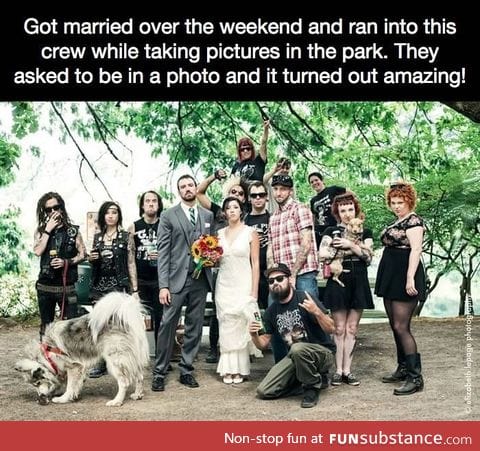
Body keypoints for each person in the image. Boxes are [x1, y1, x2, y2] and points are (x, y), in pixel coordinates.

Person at [151, 175, 214, 392]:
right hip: (175, 280)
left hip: (200, 280)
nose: (187, 189)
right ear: (179, 191)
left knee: (194, 326)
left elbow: (212, 246)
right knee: (167, 324)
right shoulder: (168, 216)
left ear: (196, 188)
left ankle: (186, 369)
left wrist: (212, 256)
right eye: (182, 187)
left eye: (190, 185)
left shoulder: (208, 215)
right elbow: (163, 253)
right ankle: (159, 371)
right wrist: (163, 286)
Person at [249, 263, 335, 408]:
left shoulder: (304, 298)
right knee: (264, 391)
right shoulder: (271, 311)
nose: (275, 283)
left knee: (297, 349)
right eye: (271, 281)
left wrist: (317, 312)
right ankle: (306, 382)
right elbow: (263, 344)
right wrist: (254, 335)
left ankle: (312, 388)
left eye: (280, 278)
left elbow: (332, 328)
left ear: (289, 279)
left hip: (322, 354)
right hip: (296, 357)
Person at [375, 182, 426, 396]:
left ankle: (416, 377)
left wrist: (409, 278)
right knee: (394, 325)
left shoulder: (414, 221)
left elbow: (415, 250)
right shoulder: (398, 221)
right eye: (393, 202)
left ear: (409, 201)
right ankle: (403, 367)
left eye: (401, 202)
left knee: (401, 325)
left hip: (405, 275)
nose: (397, 206)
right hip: (390, 275)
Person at [319, 192, 374, 386]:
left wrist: (349, 244)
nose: (347, 214)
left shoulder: (365, 232)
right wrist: (351, 250)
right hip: (338, 279)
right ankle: (338, 370)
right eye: (343, 210)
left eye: (350, 209)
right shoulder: (331, 231)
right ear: (337, 212)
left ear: (356, 209)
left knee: (352, 328)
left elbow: (368, 257)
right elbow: (323, 254)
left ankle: (348, 371)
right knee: (339, 328)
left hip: (358, 279)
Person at [196, 172, 249, 364]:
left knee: (242, 310)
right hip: (221, 270)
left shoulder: (249, 217)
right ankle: (214, 348)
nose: (237, 195)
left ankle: (243, 350)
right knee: (221, 311)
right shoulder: (219, 211)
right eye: (233, 192)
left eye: (241, 193)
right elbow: (199, 192)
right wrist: (212, 177)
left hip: (242, 270)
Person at [267, 174, 319, 362]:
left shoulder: (301, 209)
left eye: (283, 189)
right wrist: (272, 274)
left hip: (303, 273)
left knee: (310, 319)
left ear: (290, 190)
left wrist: (294, 274)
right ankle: (282, 368)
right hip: (280, 278)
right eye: (276, 189)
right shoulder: (273, 217)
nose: (279, 192)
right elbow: (271, 248)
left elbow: (306, 243)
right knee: (276, 320)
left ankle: (316, 368)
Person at [88, 201, 138, 377]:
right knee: (99, 325)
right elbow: (92, 261)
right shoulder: (96, 237)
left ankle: (121, 361)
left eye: (114, 212)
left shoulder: (126, 236)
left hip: (119, 286)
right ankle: (101, 362)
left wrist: (135, 289)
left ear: (119, 216)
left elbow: (131, 263)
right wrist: (92, 259)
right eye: (107, 213)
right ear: (102, 216)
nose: (110, 215)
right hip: (100, 286)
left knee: (119, 326)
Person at [215, 197, 260, 384]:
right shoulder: (218, 234)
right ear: (224, 212)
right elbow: (215, 260)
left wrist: (254, 291)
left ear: (241, 210)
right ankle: (227, 369)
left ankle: (240, 369)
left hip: (243, 281)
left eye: (235, 207)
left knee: (241, 322)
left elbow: (256, 263)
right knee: (226, 323)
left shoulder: (251, 232)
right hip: (224, 283)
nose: (232, 210)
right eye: (228, 208)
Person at [33, 192, 86, 341]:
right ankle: (46, 358)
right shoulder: (41, 231)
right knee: (46, 326)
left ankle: (71, 360)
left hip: (67, 287)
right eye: (48, 209)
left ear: (61, 208)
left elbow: (83, 255)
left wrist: (66, 262)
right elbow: (37, 251)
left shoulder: (73, 231)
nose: (53, 212)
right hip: (45, 287)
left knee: (72, 327)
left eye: (55, 207)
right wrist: (48, 230)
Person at [128, 191, 163, 345]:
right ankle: (137, 357)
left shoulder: (165, 224)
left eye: (154, 201)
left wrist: (161, 255)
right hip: (141, 280)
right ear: (142, 205)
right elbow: (130, 258)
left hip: (160, 281)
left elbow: (173, 253)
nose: (150, 203)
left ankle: (162, 359)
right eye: (147, 201)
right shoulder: (134, 227)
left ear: (159, 204)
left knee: (161, 320)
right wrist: (134, 287)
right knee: (135, 322)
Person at [244, 181, 270, 310]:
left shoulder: (274, 218)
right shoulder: (244, 221)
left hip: (270, 272)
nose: (258, 198)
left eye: (261, 194)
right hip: (249, 273)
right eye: (254, 195)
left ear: (267, 197)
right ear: (249, 199)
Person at [308, 172, 346, 248]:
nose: (314, 183)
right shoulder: (313, 200)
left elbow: (350, 194)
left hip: (334, 227)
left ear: (322, 180)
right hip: (320, 231)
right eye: (312, 182)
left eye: (316, 180)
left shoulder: (332, 190)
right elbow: (314, 217)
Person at [231, 119, 269, 184]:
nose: (245, 151)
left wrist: (266, 129)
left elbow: (263, 143)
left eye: (248, 148)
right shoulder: (236, 165)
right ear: (239, 152)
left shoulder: (259, 160)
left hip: (256, 192)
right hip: (241, 193)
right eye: (242, 149)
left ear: (252, 149)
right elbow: (231, 183)